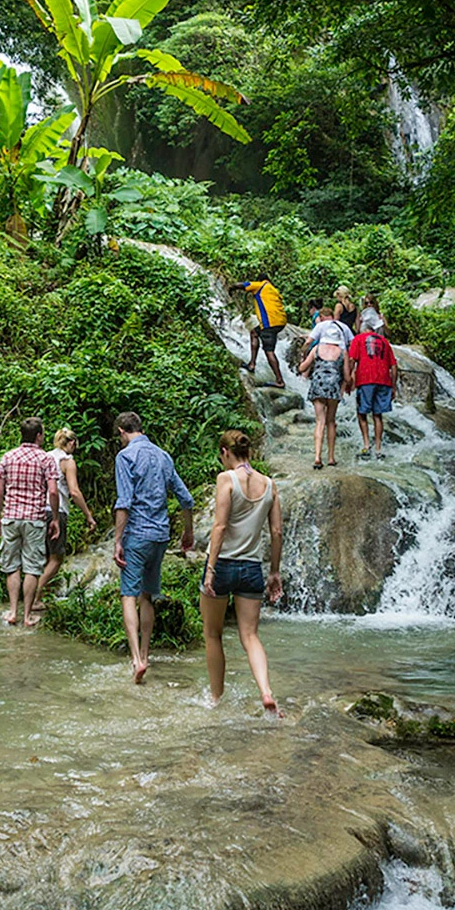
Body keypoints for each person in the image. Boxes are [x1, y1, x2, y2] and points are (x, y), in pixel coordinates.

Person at [200, 430, 284, 716]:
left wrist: (210, 570)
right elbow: (276, 532)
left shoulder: (227, 479)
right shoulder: (269, 484)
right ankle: (266, 692)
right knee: (250, 635)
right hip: (251, 568)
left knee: (213, 634)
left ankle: (215, 698)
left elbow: (220, 527)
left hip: (223, 564)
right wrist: (274, 572)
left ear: (225, 452)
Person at [113, 411, 195, 683]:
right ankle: (146, 655)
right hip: (160, 536)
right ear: (141, 428)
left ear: (123, 432)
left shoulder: (125, 457)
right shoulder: (163, 456)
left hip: (136, 535)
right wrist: (188, 532)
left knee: (129, 595)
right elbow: (186, 498)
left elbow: (124, 501)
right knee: (147, 596)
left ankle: (136, 659)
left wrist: (117, 541)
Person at [0, 417, 60, 627]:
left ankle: (12, 612)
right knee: (31, 567)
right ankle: (27, 616)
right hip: (34, 519)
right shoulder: (45, 459)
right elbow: (53, 491)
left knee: (12, 566)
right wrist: (55, 518)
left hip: (11, 517)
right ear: (38, 436)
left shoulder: (8, 457)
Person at [32, 426, 98, 621]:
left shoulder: (44, 457)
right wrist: (88, 515)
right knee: (56, 558)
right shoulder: (67, 462)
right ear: (71, 443)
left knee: (42, 556)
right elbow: (74, 492)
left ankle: (36, 596)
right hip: (57, 511)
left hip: (36, 511)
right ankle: (35, 598)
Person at [298, 307, 347, 468]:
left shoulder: (316, 349)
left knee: (320, 421)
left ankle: (317, 457)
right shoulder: (342, 352)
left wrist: (302, 358)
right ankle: (331, 458)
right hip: (333, 386)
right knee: (331, 422)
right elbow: (347, 376)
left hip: (318, 385)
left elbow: (302, 368)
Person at [346, 323, 398, 459]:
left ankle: (366, 445)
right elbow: (393, 366)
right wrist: (393, 386)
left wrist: (348, 380)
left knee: (361, 412)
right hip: (384, 380)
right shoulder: (385, 341)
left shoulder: (358, 339)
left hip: (365, 379)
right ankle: (378, 449)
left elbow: (351, 360)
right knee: (377, 415)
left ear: (362, 330)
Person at [232, 275, 286, 388]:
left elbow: (242, 285)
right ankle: (252, 364)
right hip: (280, 322)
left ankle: (280, 381)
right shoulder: (273, 289)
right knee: (254, 333)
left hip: (269, 323)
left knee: (269, 351)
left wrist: (231, 288)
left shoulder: (260, 285)